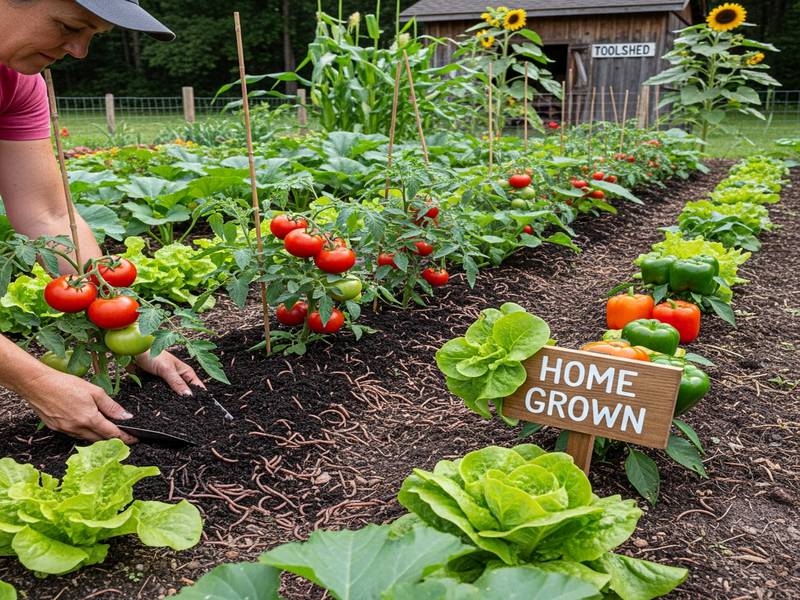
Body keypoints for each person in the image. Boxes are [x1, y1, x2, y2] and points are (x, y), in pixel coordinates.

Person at [0, 0, 202, 444]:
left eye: (94, 34)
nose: (78, 51)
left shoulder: (18, 83)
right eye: (69, 26)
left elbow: (49, 215)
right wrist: (35, 381)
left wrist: (128, 332)